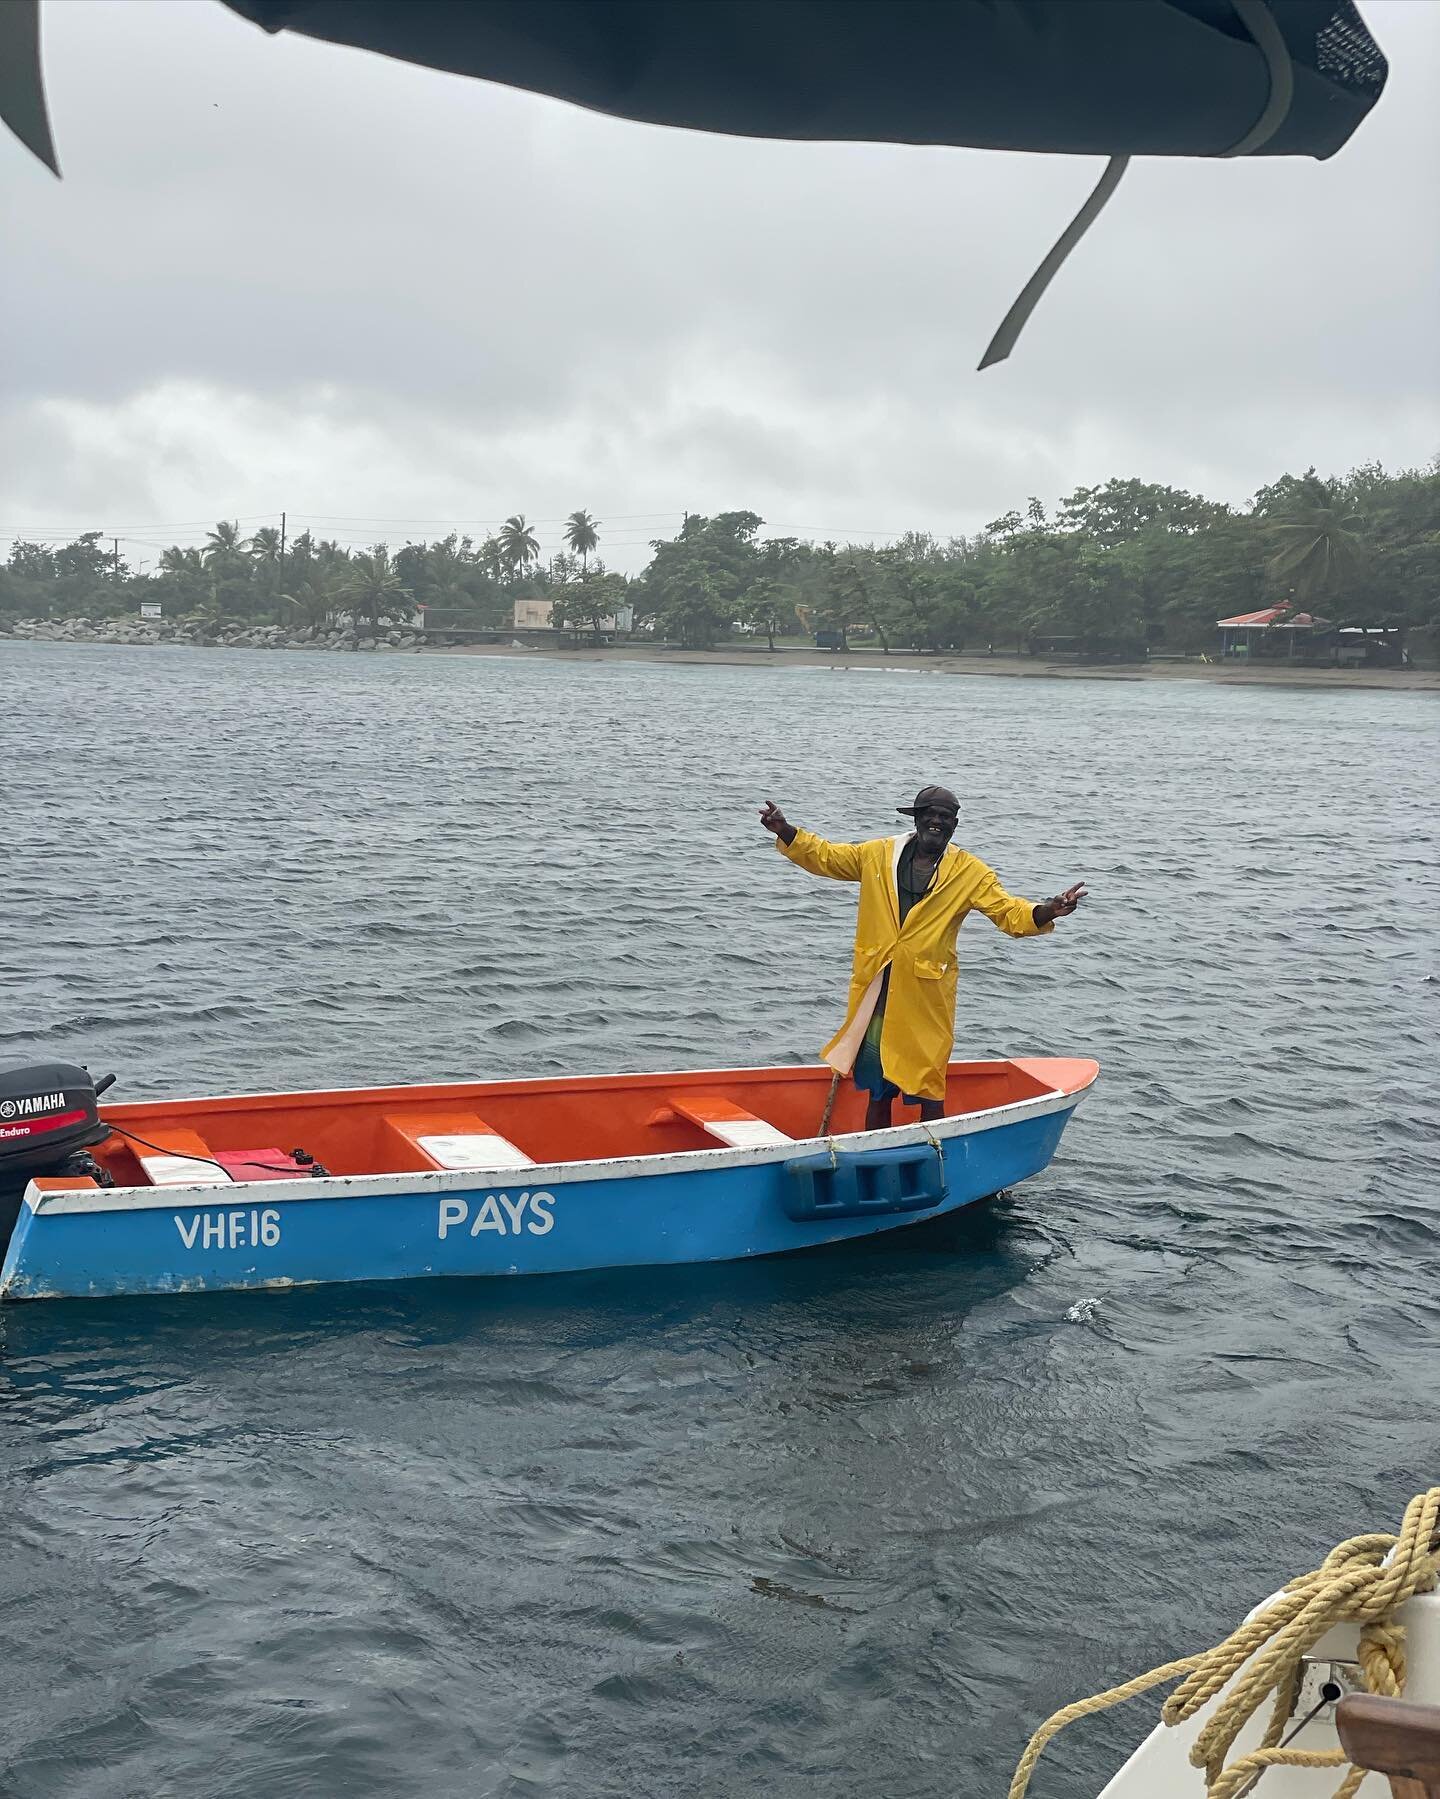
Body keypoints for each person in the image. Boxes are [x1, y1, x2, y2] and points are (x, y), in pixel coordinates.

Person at [758, 785, 1085, 1129]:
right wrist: (785, 830)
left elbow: (1008, 911)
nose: (936, 822)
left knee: (930, 1086)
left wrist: (1047, 910)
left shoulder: (970, 872)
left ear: (955, 824)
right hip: (878, 988)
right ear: (915, 818)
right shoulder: (878, 854)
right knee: (877, 1086)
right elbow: (828, 857)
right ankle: (874, 1156)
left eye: (945, 817)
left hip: (925, 997)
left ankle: (935, 1157)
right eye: (929, 814)